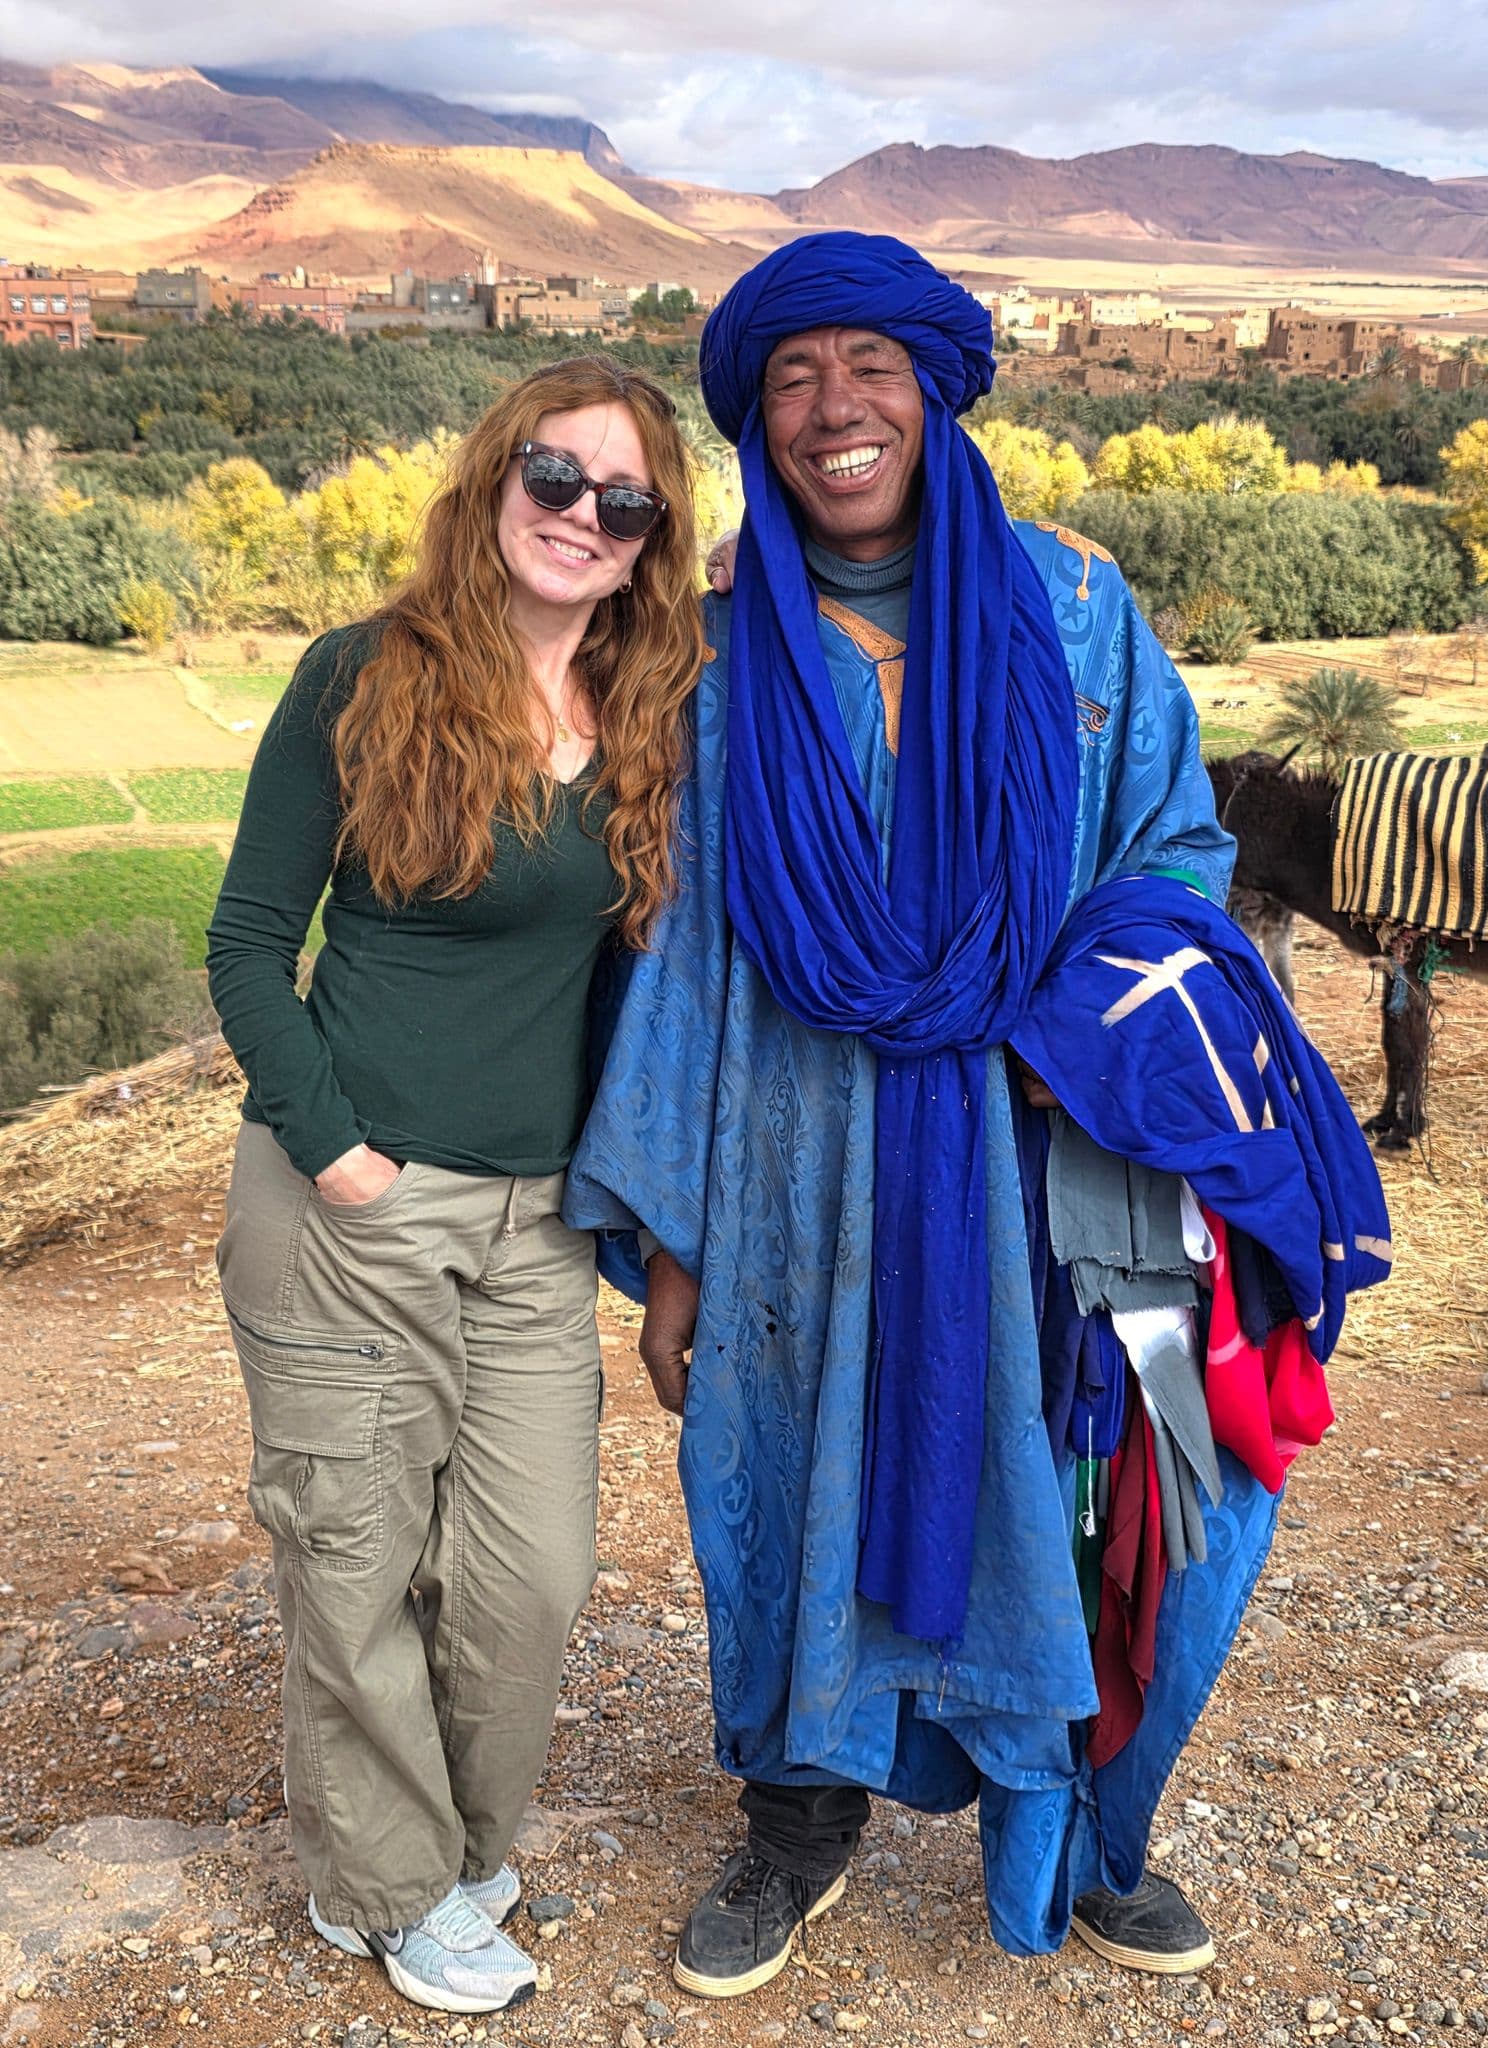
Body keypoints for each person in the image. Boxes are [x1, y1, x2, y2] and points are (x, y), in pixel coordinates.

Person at [565, 234, 1390, 1997]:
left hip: (1040, 1145)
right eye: (794, 377)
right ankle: (798, 1822)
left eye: (870, 366)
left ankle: (1077, 1839)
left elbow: (1174, 853)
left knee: (1087, 1489)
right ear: (756, 422)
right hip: (790, 1160)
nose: (834, 408)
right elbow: (688, 949)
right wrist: (679, 1244)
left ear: (935, 392)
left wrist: (1058, 1032)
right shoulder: (714, 656)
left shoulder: (1073, 610)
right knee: (780, 1473)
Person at [206, 357, 704, 2016]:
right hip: (354, 1202)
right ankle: (389, 1891)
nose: (582, 516)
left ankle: (454, 1851)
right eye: (555, 478)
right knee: (353, 1561)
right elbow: (249, 942)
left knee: (527, 1577)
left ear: (651, 542)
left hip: (537, 1220)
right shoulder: (365, 676)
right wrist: (334, 1147)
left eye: (623, 501)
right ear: (495, 479)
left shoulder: (646, 715)